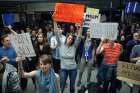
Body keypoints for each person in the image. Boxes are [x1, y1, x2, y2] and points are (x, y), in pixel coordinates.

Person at [58, 23, 82, 93]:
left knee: (72, 86)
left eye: (72, 38)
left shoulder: (74, 46)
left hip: (73, 69)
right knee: (61, 86)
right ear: (66, 38)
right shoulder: (61, 45)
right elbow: (56, 34)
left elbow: (79, 36)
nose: (70, 39)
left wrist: (81, 25)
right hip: (63, 69)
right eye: (69, 38)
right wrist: (54, 21)